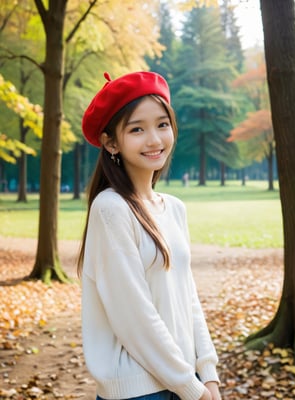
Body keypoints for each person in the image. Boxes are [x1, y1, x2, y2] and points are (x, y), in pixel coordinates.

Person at [78, 71, 222, 400]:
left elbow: (188, 299)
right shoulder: (110, 209)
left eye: (162, 124)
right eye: (137, 129)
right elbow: (134, 316)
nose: (155, 140)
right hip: (140, 391)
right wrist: (190, 387)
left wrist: (208, 373)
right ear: (111, 142)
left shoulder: (173, 208)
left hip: (186, 381)